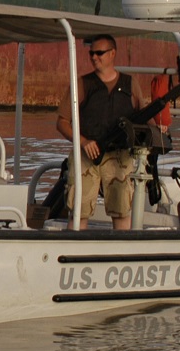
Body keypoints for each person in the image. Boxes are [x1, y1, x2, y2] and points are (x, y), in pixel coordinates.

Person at [55, 34, 151, 229]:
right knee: (78, 211)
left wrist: (157, 127)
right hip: (86, 155)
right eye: (91, 54)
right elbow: (62, 122)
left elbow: (144, 117)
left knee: (121, 209)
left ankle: (122, 253)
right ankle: (74, 252)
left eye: (99, 53)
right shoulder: (82, 84)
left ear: (112, 53)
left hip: (119, 156)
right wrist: (83, 142)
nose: (94, 57)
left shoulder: (130, 84)